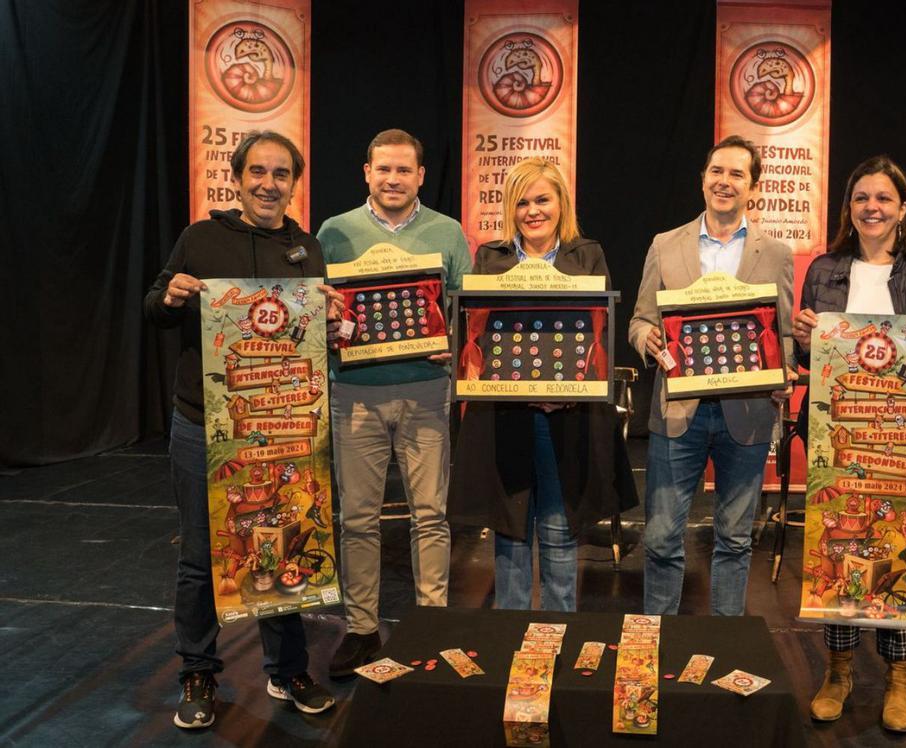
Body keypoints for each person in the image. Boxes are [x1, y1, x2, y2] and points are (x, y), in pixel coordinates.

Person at [144, 131, 340, 729]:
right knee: (202, 556)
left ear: (293, 184)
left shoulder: (305, 249)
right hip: (204, 426)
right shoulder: (199, 239)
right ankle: (199, 673)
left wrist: (331, 318)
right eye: (258, 171)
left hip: (281, 432)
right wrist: (172, 294)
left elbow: (312, 339)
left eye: (281, 174)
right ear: (237, 177)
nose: (268, 183)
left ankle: (288, 671)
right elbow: (154, 306)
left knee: (281, 546)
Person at [792, 155, 906, 733]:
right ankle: (839, 670)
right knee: (840, 552)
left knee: (900, 554)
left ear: (903, 208)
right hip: (840, 436)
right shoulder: (824, 269)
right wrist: (802, 339)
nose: (872, 207)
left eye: (883, 198)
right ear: (849, 208)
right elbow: (812, 359)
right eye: (861, 198)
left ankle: (899, 678)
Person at [448, 157, 639, 611]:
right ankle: (510, 639)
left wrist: (568, 392)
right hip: (505, 418)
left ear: (561, 204)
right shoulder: (490, 257)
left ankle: (558, 638)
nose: (533, 211)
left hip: (568, 419)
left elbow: (599, 336)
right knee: (511, 532)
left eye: (542, 200)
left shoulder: (587, 254)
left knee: (558, 530)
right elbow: (477, 335)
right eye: (522, 202)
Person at [316, 129, 472, 676]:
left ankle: (432, 622)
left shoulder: (448, 233)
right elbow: (319, 310)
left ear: (420, 176)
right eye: (383, 169)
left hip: (426, 391)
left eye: (404, 170)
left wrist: (450, 343)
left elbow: (463, 311)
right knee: (357, 518)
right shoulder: (333, 232)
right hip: (355, 392)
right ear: (366, 172)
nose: (393, 179)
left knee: (431, 516)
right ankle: (361, 629)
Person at [629, 135, 794, 617]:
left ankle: (724, 643)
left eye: (737, 174)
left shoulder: (777, 253)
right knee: (660, 536)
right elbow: (640, 319)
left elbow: (780, 333)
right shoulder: (665, 245)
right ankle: (658, 639)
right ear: (703, 179)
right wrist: (648, 341)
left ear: (753, 188)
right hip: (679, 411)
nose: (724, 182)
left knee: (736, 539)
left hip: (746, 414)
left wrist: (782, 374)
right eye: (716, 171)